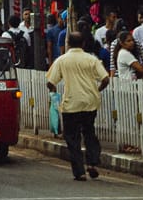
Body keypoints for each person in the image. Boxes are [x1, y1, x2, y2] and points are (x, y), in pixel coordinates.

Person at [46, 31, 110, 181]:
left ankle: (79, 171)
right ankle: (92, 163)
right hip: (90, 101)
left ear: (68, 43)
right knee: (89, 132)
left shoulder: (62, 60)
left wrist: (54, 92)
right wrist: (97, 90)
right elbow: (106, 79)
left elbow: (50, 82)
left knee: (72, 138)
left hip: (71, 103)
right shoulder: (91, 59)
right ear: (83, 44)